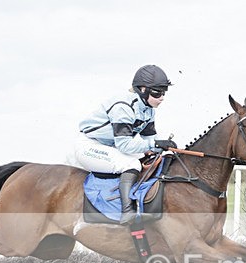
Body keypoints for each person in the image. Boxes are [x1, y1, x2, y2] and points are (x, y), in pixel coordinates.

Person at [71, 65, 178, 224]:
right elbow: (125, 145)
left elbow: (150, 139)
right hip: (90, 146)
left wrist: (166, 148)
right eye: (157, 92)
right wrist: (155, 144)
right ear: (143, 89)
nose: (162, 97)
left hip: (111, 146)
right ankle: (127, 212)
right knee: (131, 164)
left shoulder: (148, 110)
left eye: (164, 92)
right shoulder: (124, 107)